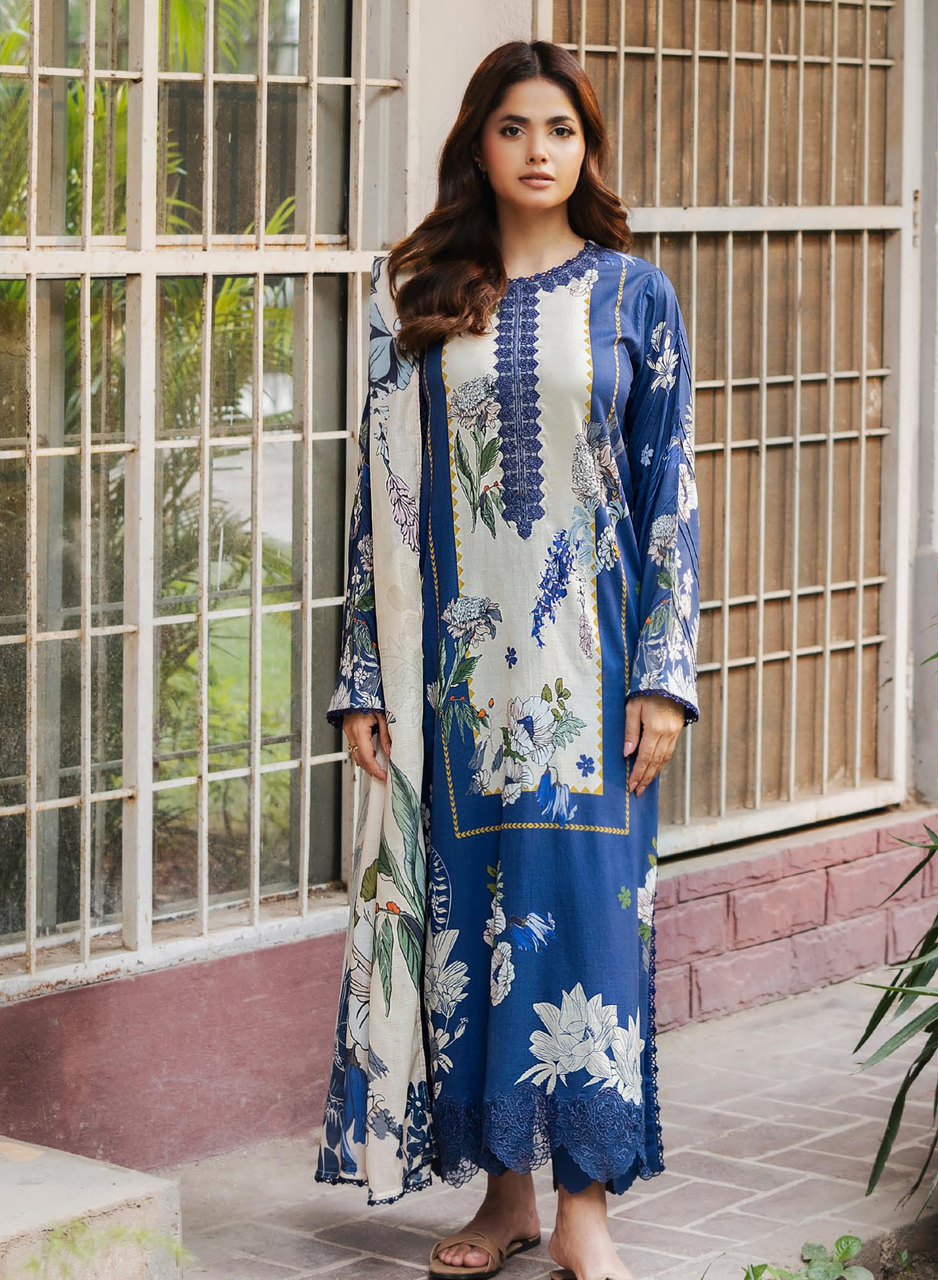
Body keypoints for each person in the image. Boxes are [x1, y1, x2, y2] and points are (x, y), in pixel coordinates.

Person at [314, 39, 700, 1280]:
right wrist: (365, 676)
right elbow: (377, 502)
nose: (540, 150)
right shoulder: (422, 296)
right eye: (515, 127)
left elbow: (669, 494)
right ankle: (507, 1194)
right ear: (477, 143)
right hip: (455, 679)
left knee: (585, 920)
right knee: (473, 922)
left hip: (592, 674)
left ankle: (586, 1205)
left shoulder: (635, 295)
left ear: (587, 150)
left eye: (563, 130)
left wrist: (664, 674)